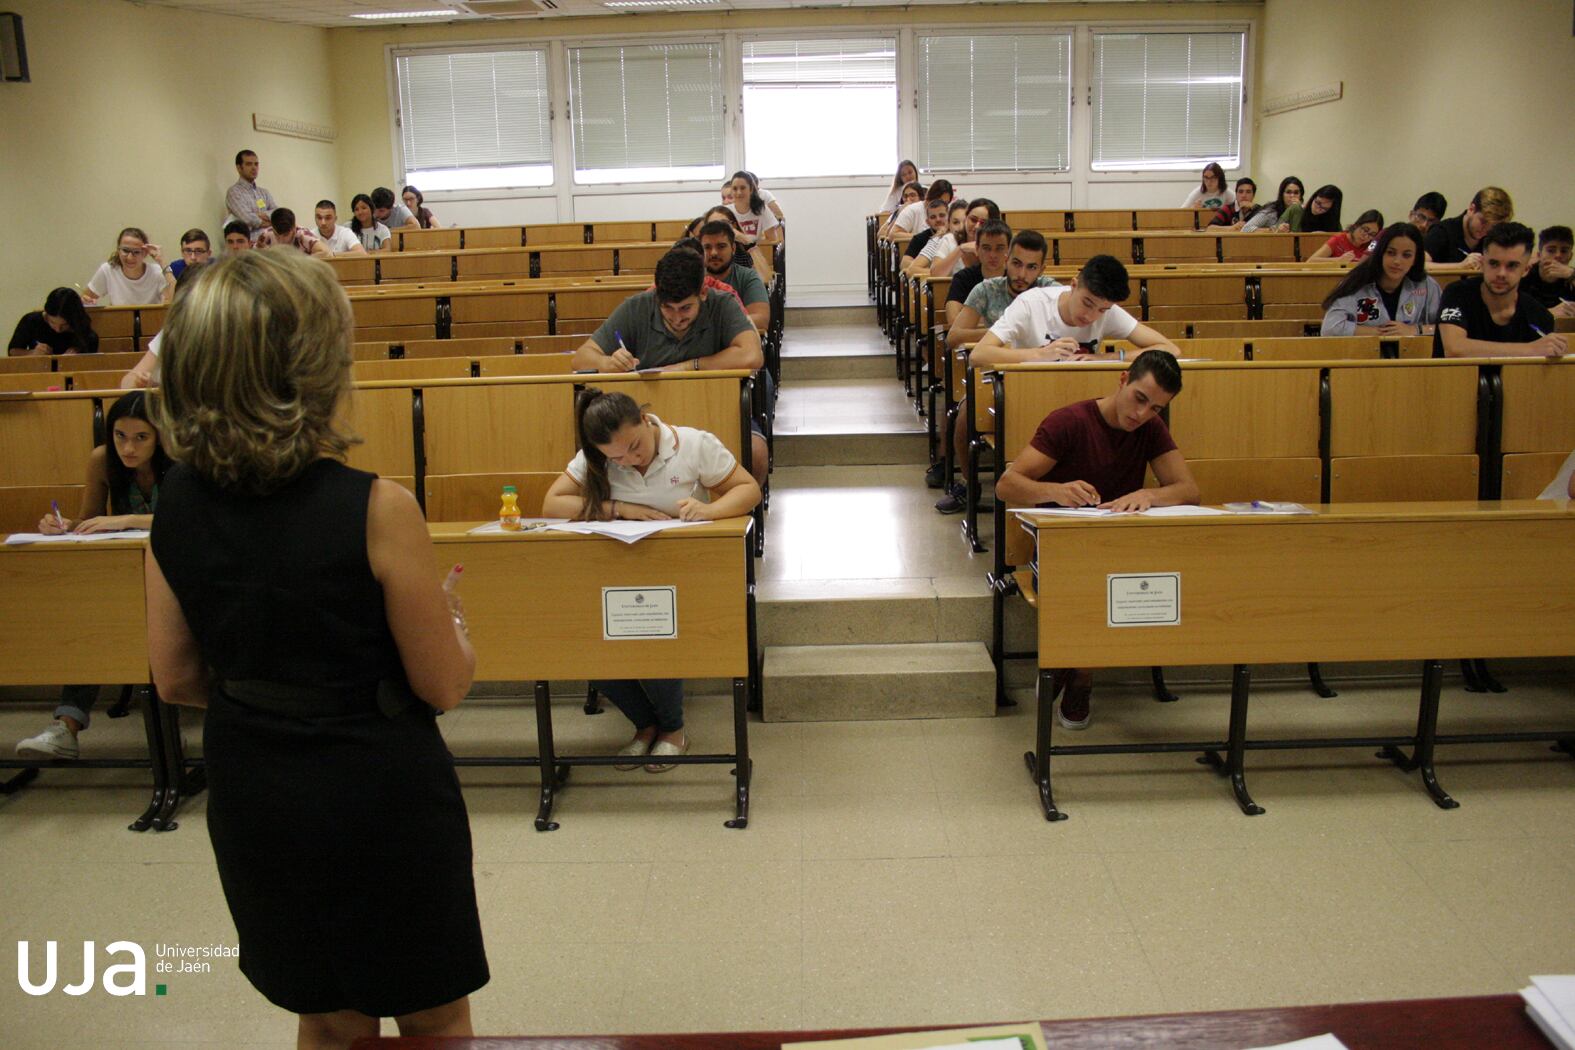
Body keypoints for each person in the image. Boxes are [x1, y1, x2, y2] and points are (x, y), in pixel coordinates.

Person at [145, 249, 487, 1045]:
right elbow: (441, 685)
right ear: (314, 365)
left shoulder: (176, 500)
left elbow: (175, 676)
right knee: (433, 1015)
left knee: (327, 1018)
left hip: (254, 783)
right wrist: (456, 628)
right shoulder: (375, 506)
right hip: (376, 787)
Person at [541, 388, 762, 771]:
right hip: (614, 569)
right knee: (589, 645)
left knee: (655, 631)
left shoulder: (692, 443)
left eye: (634, 447)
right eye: (616, 457)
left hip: (679, 571)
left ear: (645, 420)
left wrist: (709, 510)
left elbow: (748, 489)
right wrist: (620, 509)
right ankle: (644, 727)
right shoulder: (597, 456)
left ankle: (672, 731)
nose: (629, 459)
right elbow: (552, 504)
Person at [994, 349, 1200, 729]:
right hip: (1061, 551)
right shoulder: (1068, 422)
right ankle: (1081, 674)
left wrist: (1150, 495)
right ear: (1123, 381)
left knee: (1139, 582)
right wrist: (1055, 490)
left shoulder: (1149, 429)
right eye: (1140, 398)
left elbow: (1188, 490)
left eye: (1155, 409)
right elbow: (1008, 486)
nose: (1142, 414)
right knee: (1102, 587)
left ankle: (1074, 669)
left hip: (1119, 549)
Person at [15, 391, 170, 760]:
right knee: (93, 616)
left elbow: (193, 520)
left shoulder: (182, 461)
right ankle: (66, 727)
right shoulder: (102, 461)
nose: (128, 448)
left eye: (140, 438)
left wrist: (127, 519)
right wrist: (64, 525)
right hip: (126, 574)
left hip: (176, 572)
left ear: (161, 436)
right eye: (120, 436)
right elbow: (89, 520)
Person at [571, 249, 768, 485]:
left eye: (685, 308)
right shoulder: (636, 307)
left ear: (703, 293)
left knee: (756, 453)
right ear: (657, 297)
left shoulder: (723, 304)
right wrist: (606, 363)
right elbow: (581, 358)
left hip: (716, 407)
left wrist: (689, 366)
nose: (676, 318)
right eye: (667, 308)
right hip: (650, 421)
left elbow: (752, 355)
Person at [929, 228, 1056, 511]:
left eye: (1031, 267)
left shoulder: (1050, 291)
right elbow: (954, 337)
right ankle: (967, 483)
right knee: (963, 418)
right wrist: (997, 334)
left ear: (1042, 268)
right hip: (989, 379)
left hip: (1038, 377)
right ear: (1008, 260)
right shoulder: (986, 290)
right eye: (1017, 263)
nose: (1022, 273)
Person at [971, 255, 1181, 367]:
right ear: (1073, 286)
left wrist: (1108, 358)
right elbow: (979, 355)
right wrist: (1039, 354)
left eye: (1102, 310)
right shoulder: (1030, 303)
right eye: (1087, 303)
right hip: (1031, 391)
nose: (1091, 316)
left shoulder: (1108, 310)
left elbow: (1170, 349)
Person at [1433, 222, 1565, 359]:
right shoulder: (1457, 293)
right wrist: (1530, 349)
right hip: (1453, 380)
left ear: (1525, 270)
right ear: (1483, 263)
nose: (1501, 273)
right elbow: (1455, 349)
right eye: (1494, 263)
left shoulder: (1539, 315)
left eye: (1512, 265)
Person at [1320, 223, 1442, 336]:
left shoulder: (1427, 285)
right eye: (1391, 253)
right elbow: (1330, 328)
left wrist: (1414, 330)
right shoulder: (1356, 281)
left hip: (1413, 355)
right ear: (1380, 253)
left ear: (1415, 259)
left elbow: (1446, 327)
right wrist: (1379, 332)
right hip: (1365, 355)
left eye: (1406, 255)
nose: (1397, 261)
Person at [698, 220, 769, 330]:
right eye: (707, 247)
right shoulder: (692, 278)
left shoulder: (748, 277)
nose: (713, 253)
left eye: (721, 246)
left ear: (733, 248)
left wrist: (711, 324)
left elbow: (761, 320)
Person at [1425, 186, 1513, 270]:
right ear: (1471, 209)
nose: (1486, 230)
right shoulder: (1442, 231)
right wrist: (1460, 266)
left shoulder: (1492, 238)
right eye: (1483, 222)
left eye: (1493, 226)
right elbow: (1421, 265)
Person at [82, 227, 174, 306]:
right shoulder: (108, 270)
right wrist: (86, 301)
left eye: (136, 252)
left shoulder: (156, 272)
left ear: (145, 253)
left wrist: (162, 262)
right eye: (125, 250)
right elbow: (86, 298)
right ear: (118, 250)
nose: (130, 257)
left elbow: (176, 301)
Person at [8, 287, 98, 356]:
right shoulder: (31, 321)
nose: (58, 329)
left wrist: (77, 356)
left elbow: (91, 357)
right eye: (52, 322)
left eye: (64, 325)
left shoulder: (84, 330)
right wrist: (32, 353)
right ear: (46, 314)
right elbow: (12, 351)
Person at [929, 197, 1001, 278]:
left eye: (983, 223)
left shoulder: (999, 244)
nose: (977, 226)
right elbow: (935, 274)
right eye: (973, 220)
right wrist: (960, 249)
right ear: (966, 218)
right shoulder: (950, 239)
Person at [1519, 225, 1575, 318]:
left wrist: (1572, 275)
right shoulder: (1524, 275)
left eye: (1564, 251)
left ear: (1570, 256)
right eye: (1551, 250)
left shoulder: (1572, 277)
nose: (1558, 255)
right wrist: (1547, 314)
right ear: (1539, 254)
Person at [908, 198, 970, 277]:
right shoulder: (938, 240)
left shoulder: (979, 240)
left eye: (965, 222)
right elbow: (912, 270)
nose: (961, 227)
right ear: (948, 223)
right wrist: (946, 272)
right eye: (955, 222)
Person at [225, 149, 276, 238]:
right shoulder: (234, 192)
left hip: (269, 243)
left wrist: (258, 215)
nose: (254, 168)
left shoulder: (264, 192)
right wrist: (268, 222)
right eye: (249, 164)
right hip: (249, 246)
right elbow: (247, 218)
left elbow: (276, 213)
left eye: (256, 164)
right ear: (239, 168)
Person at [726, 171, 782, 246]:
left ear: (751, 189)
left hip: (755, 253)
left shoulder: (761, 209)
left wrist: (747, 240)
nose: (739, 192)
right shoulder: (725, 211)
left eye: (743, 188)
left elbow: (773, 240)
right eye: (735, 189)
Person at [881, 179, 952, 238]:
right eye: (940, 201)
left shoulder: (947, 212)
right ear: (930, 197)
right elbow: (893, 235)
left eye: (946, 203)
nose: (942, 206)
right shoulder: (912, 210)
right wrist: (924, 237)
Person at [898, 197, 951, 276]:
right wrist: (932, 269)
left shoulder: (956, 237)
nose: (938, 219)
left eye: (942, 215)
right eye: (933, 217)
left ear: (949, 217)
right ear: (927, 222)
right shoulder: (920, 239)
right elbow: (904, 264)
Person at [1308, 209, 1384, 262]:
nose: (1366, 236)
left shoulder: (1372, 244)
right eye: (1365, 230)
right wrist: (1337, 260)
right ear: (1357, 225)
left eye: (1372, 234)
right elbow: (1311, 261)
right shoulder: (1339, 239)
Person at [255, 208, 331, 258]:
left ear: (294, 227)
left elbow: (326, 252)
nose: (281, 240)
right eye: (277, 235)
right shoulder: (267, 234)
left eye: (286, 235)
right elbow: (253, 255)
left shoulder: (303, 235)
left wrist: (298, 262)